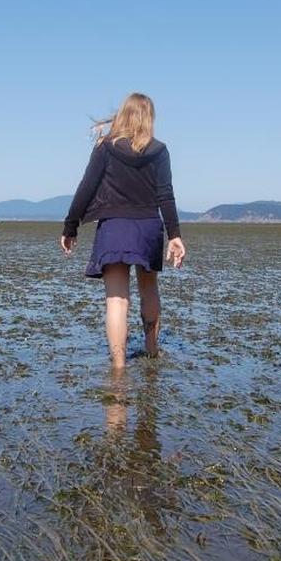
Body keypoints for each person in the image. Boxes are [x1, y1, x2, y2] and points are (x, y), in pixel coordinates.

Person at [60, 93, 187, 369]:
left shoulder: (105, 147)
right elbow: (166, 195)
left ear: (123, 115)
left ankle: (118, 367)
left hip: (114, 228)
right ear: (148, 119)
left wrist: (71, 226)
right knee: (149, 290)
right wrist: (175, 235)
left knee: (117, 301)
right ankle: (152, 351)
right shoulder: (159, 150)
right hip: (148, 228)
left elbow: (86, 187)